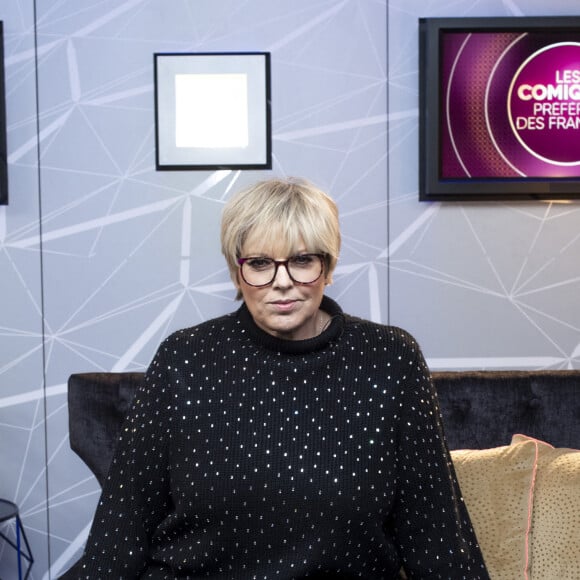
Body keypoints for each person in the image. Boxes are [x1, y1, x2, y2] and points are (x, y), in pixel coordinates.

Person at [74, 178, 489, 579]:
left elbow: (436, 537)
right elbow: (120, 530)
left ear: (328, 267)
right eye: (259, 264)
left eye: (302, 260)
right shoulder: (185, 358)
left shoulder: (389, 358)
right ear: (237, 273)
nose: (283, 281)